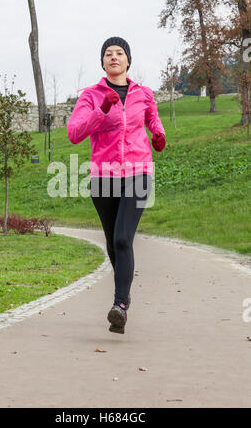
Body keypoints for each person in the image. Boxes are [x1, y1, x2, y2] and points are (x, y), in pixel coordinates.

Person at [67, 36, 166, 334]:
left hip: (137, 173)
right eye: (108, 53)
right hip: (104, 177)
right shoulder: (90, 96)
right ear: (102, 62)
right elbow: (74, 133)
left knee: (123, 239)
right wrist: (102, 110)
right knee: (112, 242)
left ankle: (119, 305)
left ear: (127, 61)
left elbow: (152, 119)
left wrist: (158, 133)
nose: (113, 57)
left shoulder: (144, 93)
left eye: (119, 53)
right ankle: (123, 295)